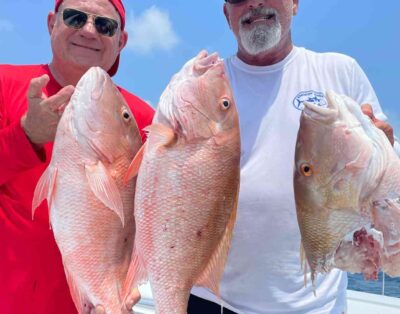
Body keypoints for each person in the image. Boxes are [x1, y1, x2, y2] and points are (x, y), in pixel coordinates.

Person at [188, 0, 397, 313]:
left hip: (316, 305)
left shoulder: (340, 71)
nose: (254, 3)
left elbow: (386, 177)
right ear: (226, 14)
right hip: (212, 300)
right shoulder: (204, 84)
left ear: (295, 3)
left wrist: (385, 143)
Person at [0, 0, 154, 313]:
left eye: (104, 25)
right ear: (51, 23)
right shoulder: (5, 84)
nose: (88, 30)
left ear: (121, 41)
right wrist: (25, 135)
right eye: (74, 17)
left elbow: (157, 216)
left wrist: (129, 286)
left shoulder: (142, 118)